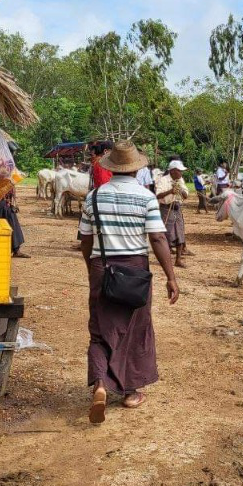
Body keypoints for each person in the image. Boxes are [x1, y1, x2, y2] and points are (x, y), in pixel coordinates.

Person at [79, 140, 179, 422]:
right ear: (137, 170)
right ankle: (130, 392)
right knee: (135, 328)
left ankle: (100, 385)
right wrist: (171, 277)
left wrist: (92, 268)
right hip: (135, 270)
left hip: (103, 267)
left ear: (111, 170)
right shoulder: (145, 198)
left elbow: (85, 240)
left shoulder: (94, 197)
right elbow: (158, 238)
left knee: (100, 329)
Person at [156, 160, 189, 267]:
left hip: (177, 208)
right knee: (166, 235)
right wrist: (171, 191)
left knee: (180, 233)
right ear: (173, 171)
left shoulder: (180, 180)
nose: (181, 173)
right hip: (166, 209)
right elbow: (158, 195)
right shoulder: (163, 180)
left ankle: (178, 260)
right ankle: (165, 259)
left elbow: (185, 195)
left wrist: (180, 190)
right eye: (180, 171)